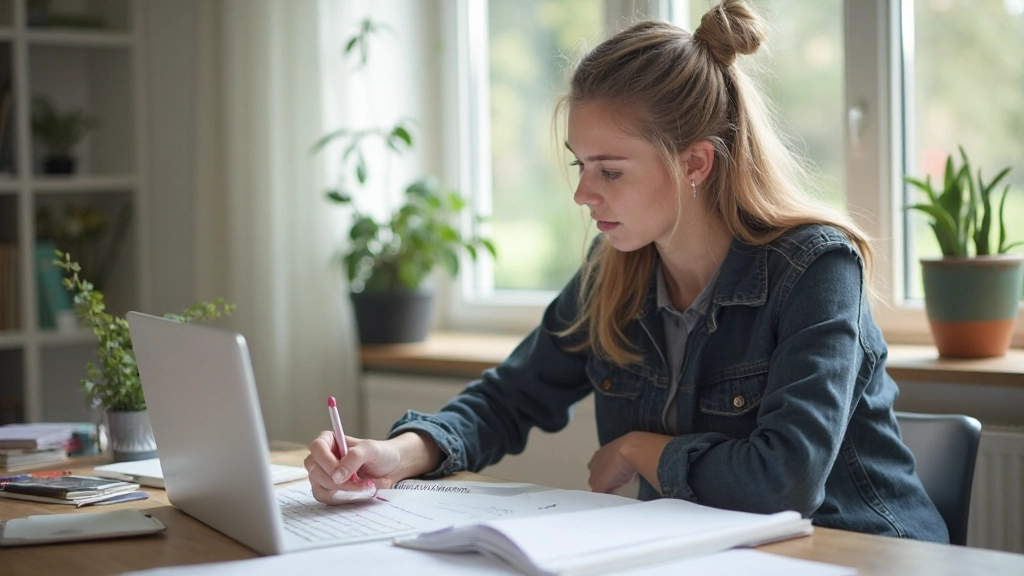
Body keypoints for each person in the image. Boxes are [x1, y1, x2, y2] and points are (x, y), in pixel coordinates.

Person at [305, 0, 948, 543]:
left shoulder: (815, 267)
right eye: (579, 165)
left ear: (695, 164)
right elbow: (510, 397)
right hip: (704, 555)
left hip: (860, 550)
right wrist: (398, 455)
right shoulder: (614, 271)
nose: (584, 195)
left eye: (609, 171)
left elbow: (784, 480)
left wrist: (644, 450)